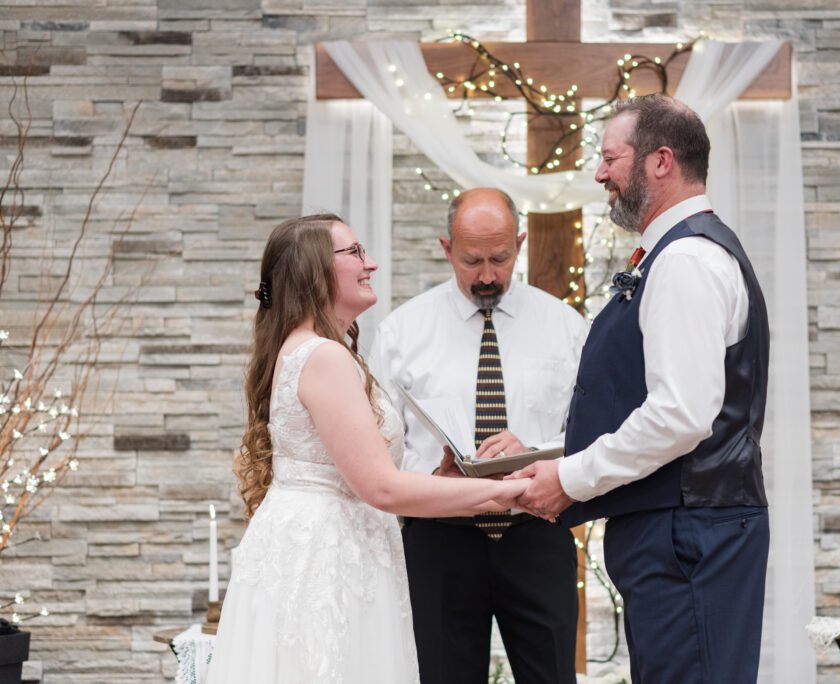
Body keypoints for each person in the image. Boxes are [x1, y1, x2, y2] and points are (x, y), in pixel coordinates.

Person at [511, 94, 772, 683]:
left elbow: (680, 415)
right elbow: (644, 402)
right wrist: (544, 455)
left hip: (687, 532)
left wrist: (569, 480)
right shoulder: (681, 253)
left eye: (610, 158)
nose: (600, 173)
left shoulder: (685, 262)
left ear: (660, 161)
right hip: (686, 526)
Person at [207, 213, 528, 684]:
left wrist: (443, 483)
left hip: (335, 540)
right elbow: (380, 487)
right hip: (327, 555)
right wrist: (504, 495)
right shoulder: (324, 356)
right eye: (355, 252)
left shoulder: (314, 351)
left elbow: (358, 475)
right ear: (314, 269)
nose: (371, 263)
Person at [368, 188, 587, 684]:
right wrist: (433, 478)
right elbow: (377, 449)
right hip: (438, 541)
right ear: (447, 249)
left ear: (521, 244)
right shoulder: (401, 334)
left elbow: (590, 434)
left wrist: (534, 454)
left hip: (537, 532)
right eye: (471, 260)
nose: (487, 275)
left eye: (501, 257)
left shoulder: (567, 328)